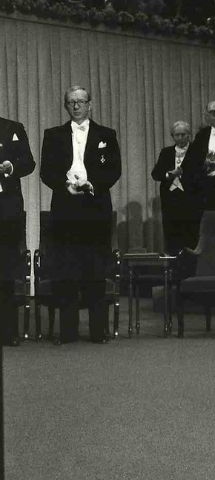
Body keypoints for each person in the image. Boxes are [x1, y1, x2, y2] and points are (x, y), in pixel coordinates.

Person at [40, 86, 122, 344]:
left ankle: (98, 331)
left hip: (96, 206)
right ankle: (68, 332)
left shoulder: (106, 134)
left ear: (90, 104)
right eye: (71, 102)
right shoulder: (53, 135)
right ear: (66, 106)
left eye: (80, 101)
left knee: (96, 269)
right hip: (65, 207)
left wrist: (91, 184)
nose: (76, 106)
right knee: (66, 269)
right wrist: (64, 185)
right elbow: (46, 171)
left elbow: (114, 169)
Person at [0, 112, 34, 345]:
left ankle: (7, 331)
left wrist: (12, 166)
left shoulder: (12, 127)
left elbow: (29, 163)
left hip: (6, 212)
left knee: (6, 272)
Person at [150, 121, 199, 253]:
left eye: (183, 134)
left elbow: (201, 174)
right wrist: (168, 175)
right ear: (172, 136)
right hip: (170, 200)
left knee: (190, 233)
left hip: (190, 198)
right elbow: (155, 174)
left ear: (189, 135)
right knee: (172, 234)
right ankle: (172, 267)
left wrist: (184, 176)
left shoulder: (197, 151)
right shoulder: (166, 152)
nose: (180, 138)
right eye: (177, 135)